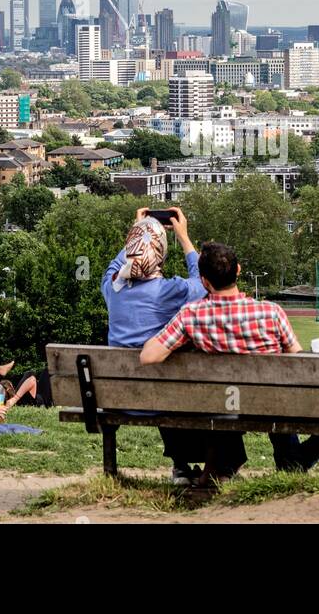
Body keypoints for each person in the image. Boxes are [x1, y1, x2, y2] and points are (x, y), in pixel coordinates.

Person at [140, 242, 319, 484]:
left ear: (204, 281)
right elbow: (298, 362)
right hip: (272, 404)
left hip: (224, 404)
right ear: (238, 270)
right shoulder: (272, 312)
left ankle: (228, 468)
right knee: (281, 400)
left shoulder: (191, 315)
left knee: (229, 399)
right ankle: (291, 464)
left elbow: (148, 356)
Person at [102, 206, 208, 484]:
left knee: (157, 383)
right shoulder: (171, 290)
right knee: (167, 381)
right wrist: (184, 237)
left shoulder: (113, 289)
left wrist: (136, 232)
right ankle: (184, 467)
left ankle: (182, 466)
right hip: (163, 398)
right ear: (160, 252)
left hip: (119, 397)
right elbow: (203, 282)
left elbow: (114, 268)